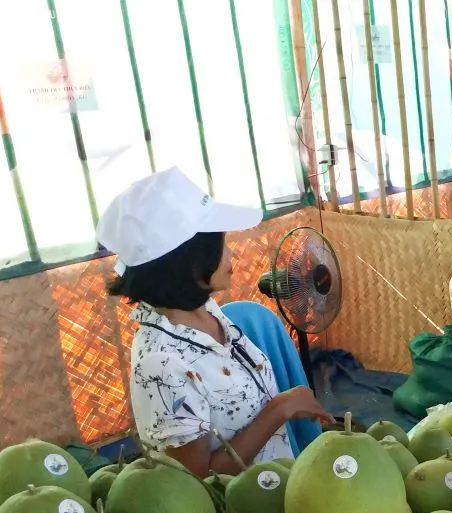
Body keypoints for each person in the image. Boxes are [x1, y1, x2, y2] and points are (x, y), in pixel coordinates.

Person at [101, 167, 332, 476]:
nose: (231, 252)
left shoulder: (206, 309)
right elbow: (200, 480)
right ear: (187, 262)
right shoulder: (162, 363)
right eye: (220, 245)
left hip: (279, 487)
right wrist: (280, 409)